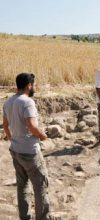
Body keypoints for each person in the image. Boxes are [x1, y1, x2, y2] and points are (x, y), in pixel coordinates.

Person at [3, 73, 50, 220]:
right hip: (30, 152)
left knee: (22, 187)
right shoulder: (27, 102)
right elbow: (32, 126)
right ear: (29, 85)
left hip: (15, 150)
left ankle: (25, 217)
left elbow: (5, 125)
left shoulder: (8, 102)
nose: (33, 87)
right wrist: (43, 136)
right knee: (40, 186)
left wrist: (13, 140)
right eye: (33, 85)